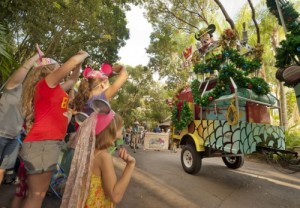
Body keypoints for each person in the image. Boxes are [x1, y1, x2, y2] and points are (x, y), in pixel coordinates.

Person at [19, 50, 89, 208]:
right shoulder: (46, 83)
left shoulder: (54, 88)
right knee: (36, 196)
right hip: (43, 143)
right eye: (57, 67)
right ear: (49, 70)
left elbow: (72, 79)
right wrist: (81, 55)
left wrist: (79, 64)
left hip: (47, 143)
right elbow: (69, 65)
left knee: (36, 195)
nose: (61, 70)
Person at [61, 99, 135, 207]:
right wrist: (130, 165)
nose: (123, 128)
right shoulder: (104, 157)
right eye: (121, 126)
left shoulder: (88, 153)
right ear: (112, 129)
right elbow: (115, 196)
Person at [0, 49, 42, 185]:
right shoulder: (13, 86)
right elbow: (24, 68)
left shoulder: (30, 97)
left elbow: (28, 117)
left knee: (2, 170)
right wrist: (37, 55)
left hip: (13, 138)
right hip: (0, 134)